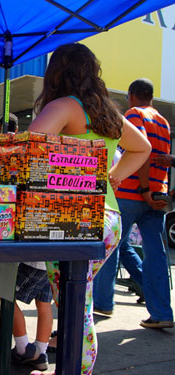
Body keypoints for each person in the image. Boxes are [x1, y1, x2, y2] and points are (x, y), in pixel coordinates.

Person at [25, 43, 151, 375]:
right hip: (109, 219)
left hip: (72, 219)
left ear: (56, 73)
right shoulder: (107, 113)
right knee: (79, 301)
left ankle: (75, 370)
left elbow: (28, 148)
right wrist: (114, 176)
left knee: (74, 304)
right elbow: (143, 148)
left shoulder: (65, 106)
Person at [93, 78, 174, 328]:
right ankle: (161, 313)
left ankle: (103, 303)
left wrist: (143, 188)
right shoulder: (163, 121)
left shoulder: (134, 115)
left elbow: (142, 149)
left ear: (131, 96)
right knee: (157, 255)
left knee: (110, 247)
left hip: (132, 193)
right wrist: (154, 191)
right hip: (157, 197)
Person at [11, 262, 53, 371]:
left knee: (7, 296)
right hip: (53, 263)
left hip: (34, 261)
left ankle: (23, 349)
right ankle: (41, 352)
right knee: (44, 304)